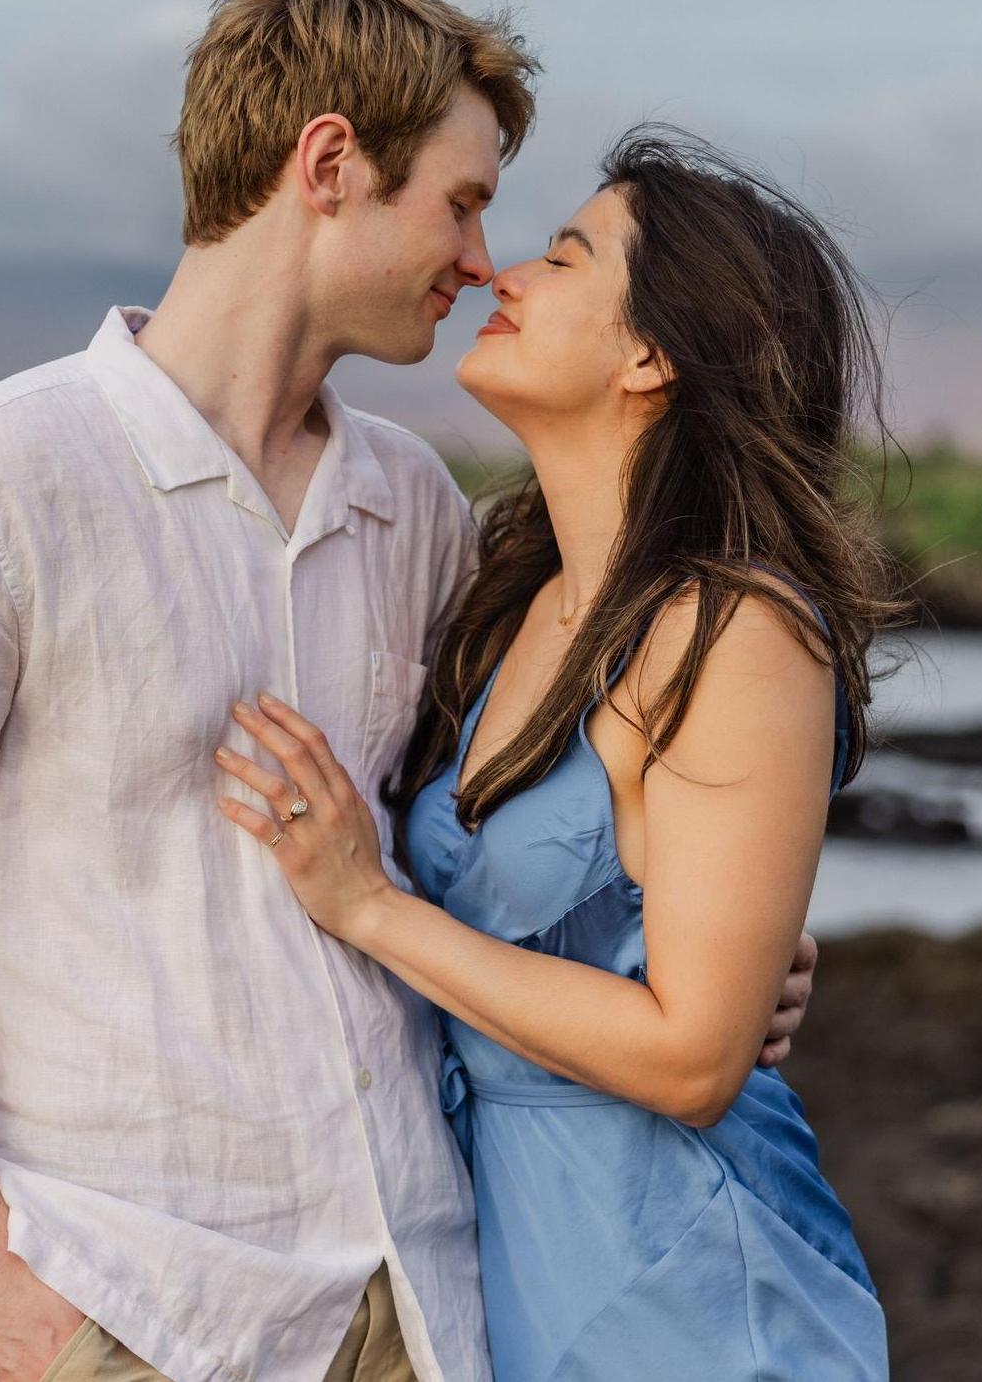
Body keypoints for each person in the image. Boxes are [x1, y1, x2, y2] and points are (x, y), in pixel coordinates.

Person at [0, 0, 818, 1382]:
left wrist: (701, 957)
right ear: (327, 162)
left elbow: (495, 829)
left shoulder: (415, 505)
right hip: (134, 1302)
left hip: (426, 1299)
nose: (481, 258)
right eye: (464, 201)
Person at [212, 128, 896, 1379]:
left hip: (687, 1294)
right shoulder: (509, 595)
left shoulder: (731, 632)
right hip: (511, 1276)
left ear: (650, 353)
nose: (500, 274)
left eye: (564, 255)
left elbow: (690, 1060)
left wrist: (368, 906)